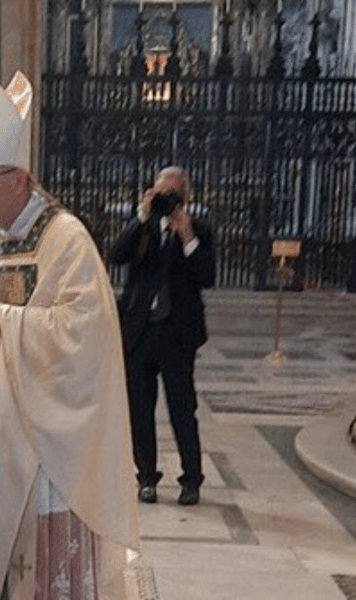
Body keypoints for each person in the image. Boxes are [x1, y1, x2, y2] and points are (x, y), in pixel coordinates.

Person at [0, 63, 138, 599]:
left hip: (49, 455)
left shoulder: (66, 238)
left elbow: (86, 332)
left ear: (20, 177)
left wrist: (11, 320)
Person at [108, 166, 216, 507]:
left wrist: (187, 237)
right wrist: (142, 216)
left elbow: (207, 276)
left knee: (182, 408)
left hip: (177, 333)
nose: (166, 199)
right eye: (160, 192)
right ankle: (146, 477)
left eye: (172, 194)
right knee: (140, 409)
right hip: (140, 331)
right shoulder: (144, 228)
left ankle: (191, 480)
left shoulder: (200, 230)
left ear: (186, 197)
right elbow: (115, 256)